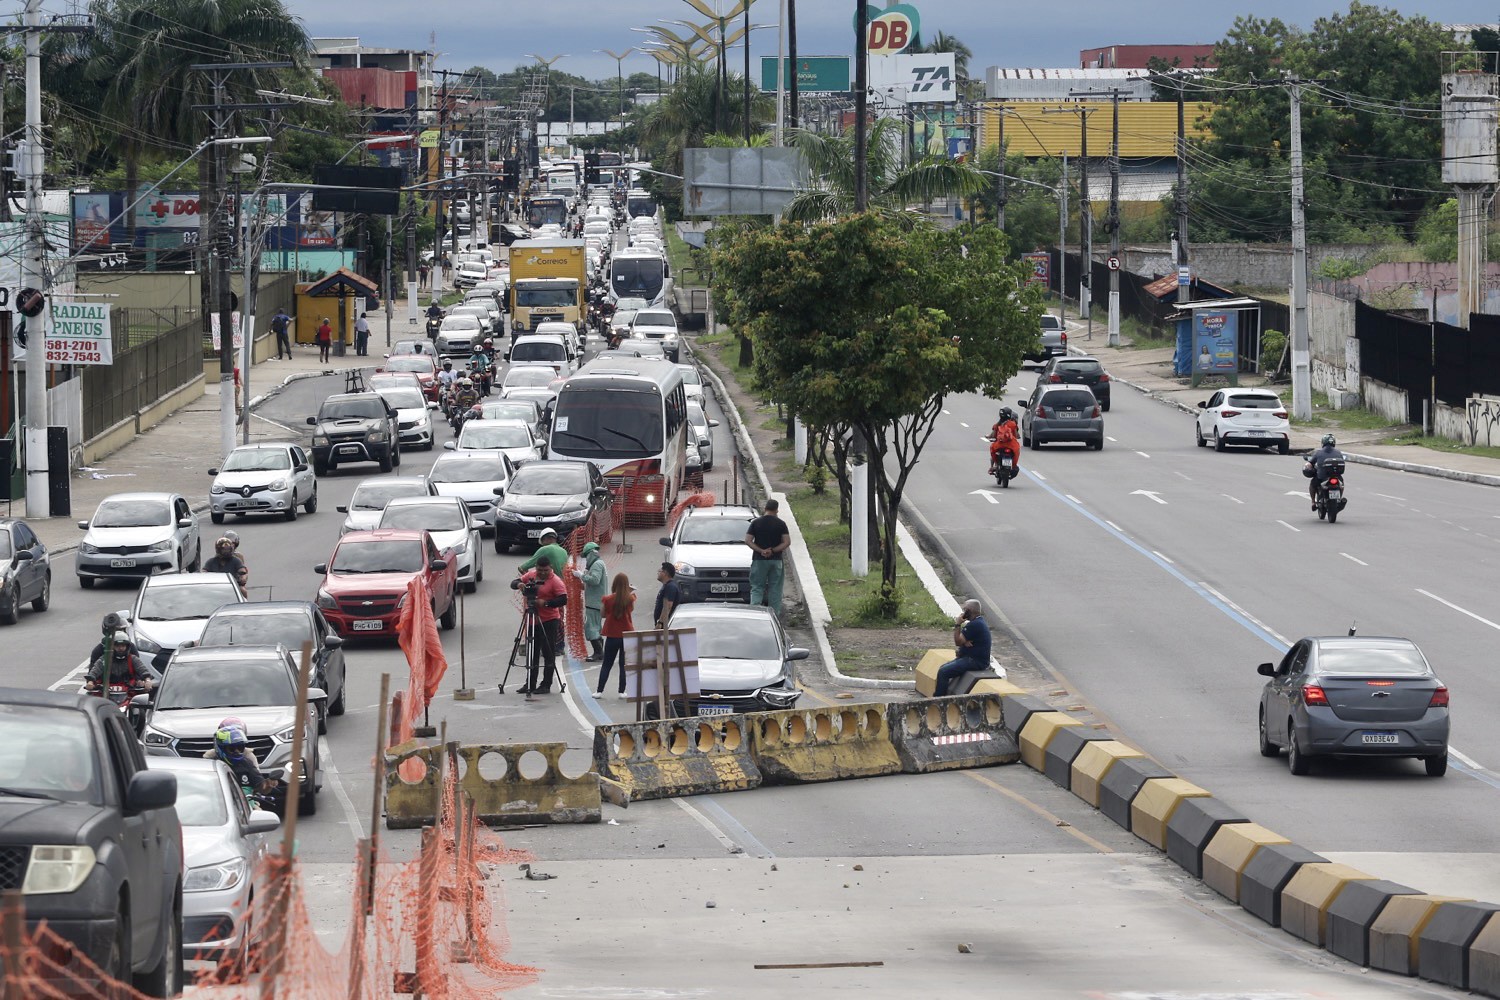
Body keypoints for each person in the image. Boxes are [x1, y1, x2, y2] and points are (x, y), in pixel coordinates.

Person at [512, 557, 568, 694]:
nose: (542, 573)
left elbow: (563, 599)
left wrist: (546, 603)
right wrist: (520, 584)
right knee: (532, 652)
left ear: (550, 568)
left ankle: (546, 684)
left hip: (549, 620)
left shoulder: (555, 581)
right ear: (536, 568)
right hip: (532, 619)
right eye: (539, 570)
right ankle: (530, 683)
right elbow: (513, 583)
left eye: (545, 570)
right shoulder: (531, 575)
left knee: (548, 652)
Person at [202, 718, 278, 797]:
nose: (237, 751)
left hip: (246, 801)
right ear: (221, 748)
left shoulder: (247, 761)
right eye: (232, 748)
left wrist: (269, 784)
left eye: (240, 747)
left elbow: (262, 787)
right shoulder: (209, 762)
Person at [934, 600, 992, 697]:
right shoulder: (979, 622)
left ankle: (938, 699)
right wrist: (964, 642)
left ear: (969, 611)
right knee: (942, 668)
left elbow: (958, 641)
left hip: (975, 661)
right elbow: (962, 640)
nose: (963, 612)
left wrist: (958, 624)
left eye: (965, 610)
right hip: (971, 658)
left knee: (943, 672)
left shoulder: (975, 625)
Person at [744, 499, 790, 614]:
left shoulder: (756, 523)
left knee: (757, 587)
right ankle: (774, 615)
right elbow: (786, 542)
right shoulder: (781, 524)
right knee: (775, 589)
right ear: (777, 510)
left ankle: (755, 614)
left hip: (759, 560)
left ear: (765, 508)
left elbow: (748, 540)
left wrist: (761, 551)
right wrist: (772, 551)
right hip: (776, 560)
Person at [598, 572, 635, 697]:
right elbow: (631, 610)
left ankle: (599, 690)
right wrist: (629, 592)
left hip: (612, 634)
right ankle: (621, 691)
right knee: (623, 665)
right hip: (626, 634)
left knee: (607, 664)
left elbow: (603, 614)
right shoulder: (630, 599)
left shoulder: (607, 599)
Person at [85, 631, 160, 692]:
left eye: (123, 646)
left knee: (143, 701)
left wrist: (147, 681)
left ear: (127, 647)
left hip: (129, 692)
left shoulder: (133, 659)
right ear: (112, 647)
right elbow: (95, 671)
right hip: (106, 692)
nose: (120, 648)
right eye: (117, 646)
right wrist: (90, 682)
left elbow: (143, 671)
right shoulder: (104, 659)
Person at [573, 542, 608, 662]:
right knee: (596, 627)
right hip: (597, 602)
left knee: (590, 628)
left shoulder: (597, 564)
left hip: (594, 603)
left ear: (591, 554)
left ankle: (598, 652)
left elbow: (595, 580)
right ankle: (600, 652)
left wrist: (581, 576)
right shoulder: (599, 563)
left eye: (586, 556)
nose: (586, 559)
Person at [1306, 433, 1345, 510]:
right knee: (1341, 484)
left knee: (1312, 484)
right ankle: (1339, 499)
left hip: (1322, 477)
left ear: (1323, 442)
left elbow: (1310, 463)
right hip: (1336, 477)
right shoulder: (1338, 453)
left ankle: (1313, 502)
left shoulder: (1318, 452)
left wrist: (1307, 466)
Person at [988, 407, 1021, 475]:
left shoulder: (997, 425)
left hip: (1000, 445)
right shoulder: (1012, 424)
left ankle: (994, 467)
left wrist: (989, 436)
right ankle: (1013, 466)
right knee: (1017, 450)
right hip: (1012, 445)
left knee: (992, 449)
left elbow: (993, 435)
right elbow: (1016, 435)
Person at [652, 562, 681, 630]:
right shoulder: (666, 586)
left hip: (666, 626)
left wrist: (660, 623)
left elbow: (668, 606)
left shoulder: (670, 587)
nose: (658, 573)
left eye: (659, 571)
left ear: (665, 573)